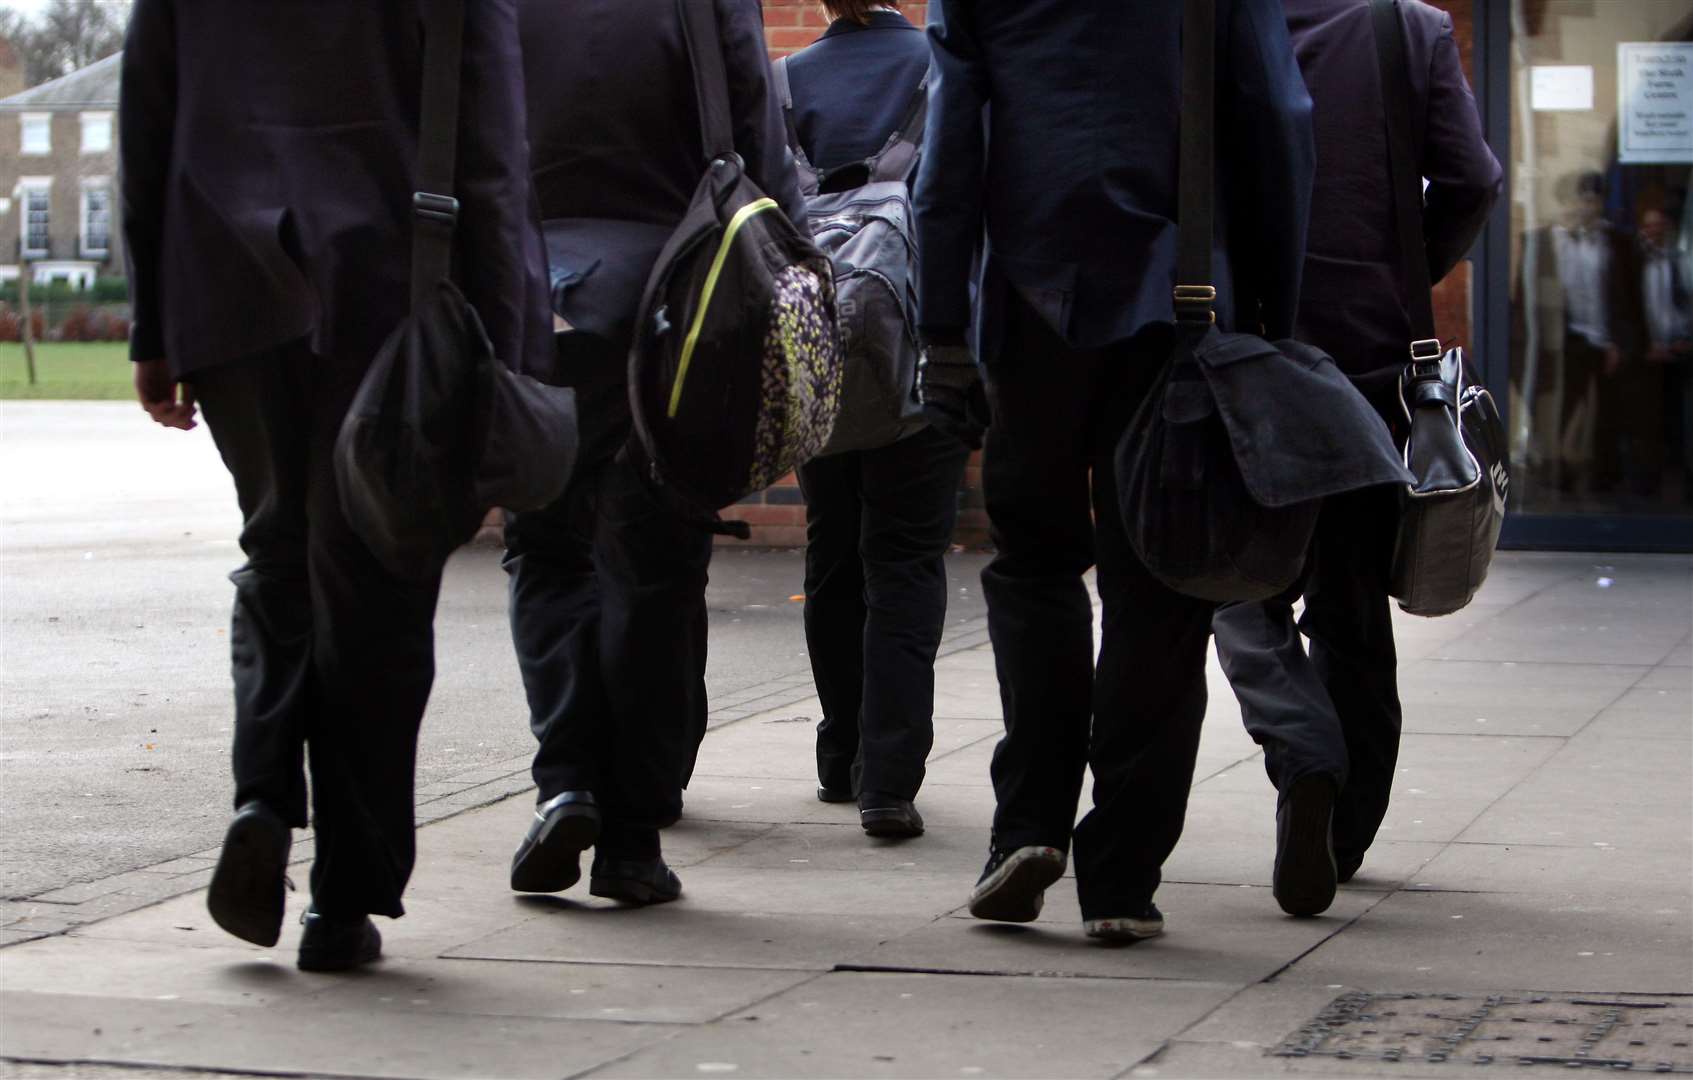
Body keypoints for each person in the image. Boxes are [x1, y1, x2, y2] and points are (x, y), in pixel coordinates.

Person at [121, 0, 550, 969]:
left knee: (274, 546)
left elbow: (146, 103)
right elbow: (492, 151)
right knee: (378, 586)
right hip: (387, 284)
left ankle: (262, 796)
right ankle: (344, 899)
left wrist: (153, 325)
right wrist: (510, 350)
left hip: (224, 277)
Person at [913, 0, 1314, 939]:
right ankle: (1124, 875)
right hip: (1182, 302)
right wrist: (1276, 314)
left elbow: (949, 152)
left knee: (1034, 565)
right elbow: (1279, 124)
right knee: (1162, 584)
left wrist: (941, 326)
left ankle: (1027, 824)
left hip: (1031, 301)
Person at [503, 0, 806, 904]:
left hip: (534, 300)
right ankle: (633, 841)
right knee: (658, 566)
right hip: (676, 305)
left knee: (547, 547)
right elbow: (755, 130)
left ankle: (566, 783)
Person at [1212, 0, 1502, 917]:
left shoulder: (1209, 25)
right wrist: (1401, 276)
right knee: (1348, 610)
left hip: (1246, 357)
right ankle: (1343, 829)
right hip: (1372, 357)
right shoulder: (1404, 29)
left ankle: (1304, 754)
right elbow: (1470, 179)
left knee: (1232, 585)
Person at [780, 0, 969, 839]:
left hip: (815, 345)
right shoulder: (944, 65)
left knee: (833, 543)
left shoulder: (781, 83)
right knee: (905, 558)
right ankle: (886, 781)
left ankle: (838, 751)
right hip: (924, 345)